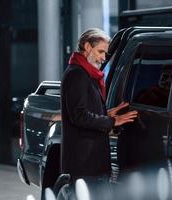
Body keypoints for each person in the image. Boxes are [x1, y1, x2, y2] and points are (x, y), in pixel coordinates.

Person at [60, 28, 138, 198]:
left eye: (105, 53)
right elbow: (79, 116)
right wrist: (112, 122)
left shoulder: (86, 74)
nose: (104, 58)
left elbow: (84, 110)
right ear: (87, 47)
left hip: (91, 163)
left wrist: (106, 113)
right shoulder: (77, 75)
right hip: (85, 164)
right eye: (100, 51)